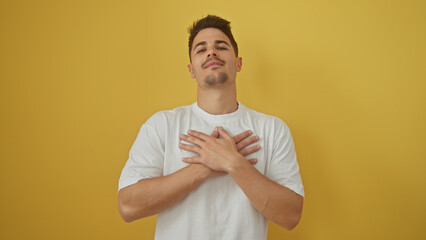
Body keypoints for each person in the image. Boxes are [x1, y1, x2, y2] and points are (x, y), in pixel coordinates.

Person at [118, 15, 304, 240]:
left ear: (238, 63)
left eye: (221, 46)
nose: (212, 52)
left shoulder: (273, 129)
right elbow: (128, 206)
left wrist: (234, 163)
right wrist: (204, 167)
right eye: (201, 49)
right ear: (191, 70)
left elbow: (291, 215)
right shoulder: (162, 124)